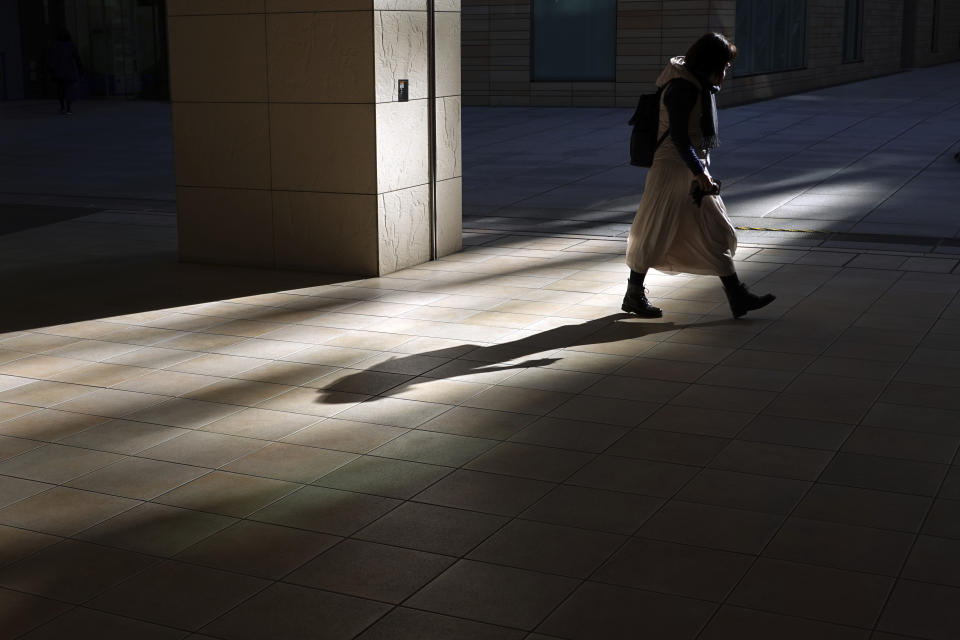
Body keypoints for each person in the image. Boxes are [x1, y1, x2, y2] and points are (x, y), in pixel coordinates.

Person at [622, 33, 775, 319]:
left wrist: (699, 170)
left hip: (691, 168)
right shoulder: (682, 88)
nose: (727, 69)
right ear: (710, 62)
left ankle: (736, 295)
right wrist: (698, 172)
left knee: (713, 228)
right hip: (671, 169)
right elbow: (679, 138)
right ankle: (634, 293)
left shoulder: (697, 84)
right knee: (655, 229)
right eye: (725, 64)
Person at [49, 29, 83, 115]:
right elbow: (77, 57)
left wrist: (52, 69)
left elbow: (52, 58)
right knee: (69, 89)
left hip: (58, 71)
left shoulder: (55, 45)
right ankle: (68, 108)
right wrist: (80, 68)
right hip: (69, 71)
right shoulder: (71, 45)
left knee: (60, 89)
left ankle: (62, 107)